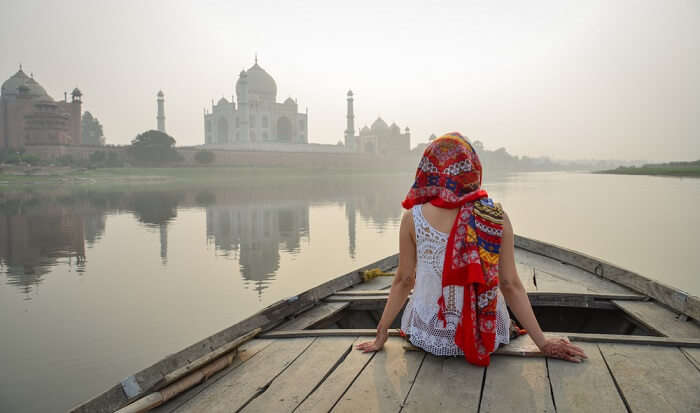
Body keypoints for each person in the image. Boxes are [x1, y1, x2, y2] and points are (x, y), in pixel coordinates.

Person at [356, 132, 587, 365]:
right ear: (472, 169)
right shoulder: (495, 217)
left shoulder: (412, 219)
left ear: (428, 170)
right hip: (488, 337)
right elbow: (510, 285)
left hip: (430, 335)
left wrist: (381, 332)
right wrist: (543, 343)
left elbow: (404, 280)